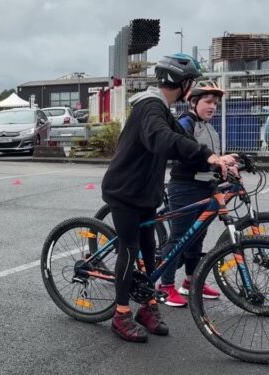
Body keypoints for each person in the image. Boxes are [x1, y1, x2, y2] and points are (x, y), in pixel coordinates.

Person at [100, 54, 238, 344]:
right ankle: (121, 314)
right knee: (130, 247)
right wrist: (208, 155)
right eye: (192, 83)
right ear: (184, 83)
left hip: (145, 192)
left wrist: (217, 162)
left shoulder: (162, 110)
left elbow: (184, 143)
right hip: (124, 190)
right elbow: (161, 138)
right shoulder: (150, 106)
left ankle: (148, 307)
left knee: (150, 251)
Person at [157, 80, 228, 307]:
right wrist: (212, 164)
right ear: (193, 102)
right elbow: (186, 153)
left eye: (216, 103)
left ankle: (190, 282)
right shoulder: (185, 123)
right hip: (184, 187)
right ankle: (166, 287)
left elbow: (212, 156)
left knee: (196, 238)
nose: (213, 106)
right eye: (208, 101)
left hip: (205, 187)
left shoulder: (209, 126)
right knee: (179, 238)